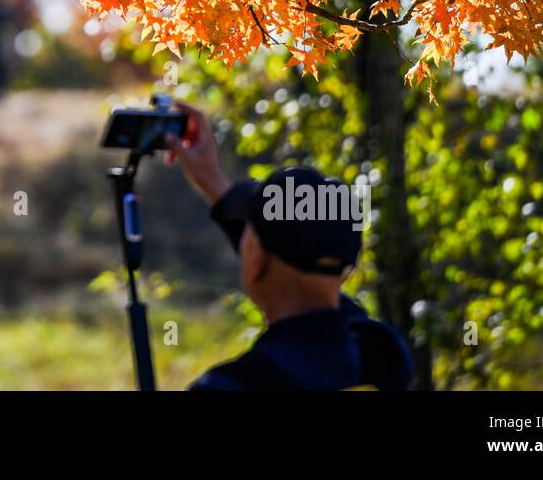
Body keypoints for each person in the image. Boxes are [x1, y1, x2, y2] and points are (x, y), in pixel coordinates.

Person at [165, 102, 413, 391]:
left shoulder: (229, 386)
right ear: (344, 273)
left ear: (255, 257)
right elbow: (321, 295)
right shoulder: (384, 355)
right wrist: (213, 182)